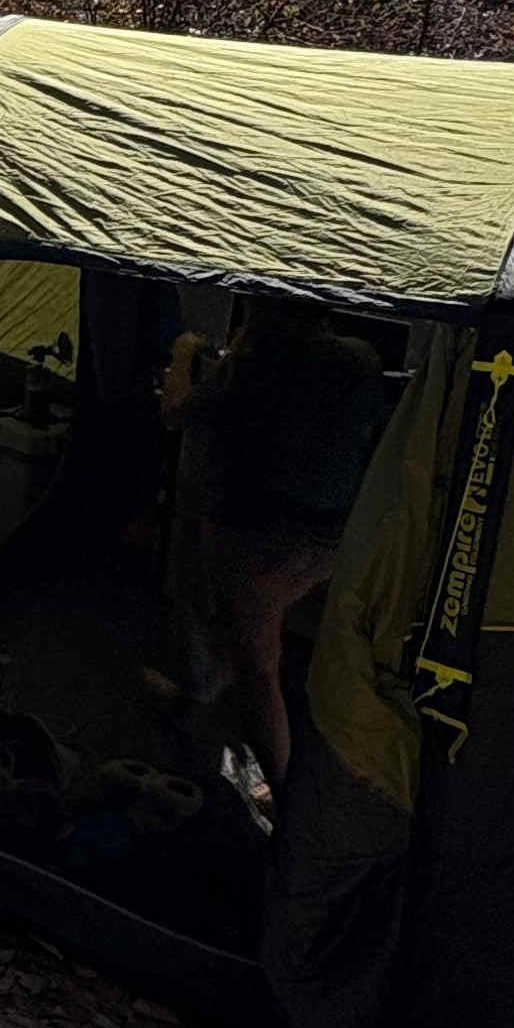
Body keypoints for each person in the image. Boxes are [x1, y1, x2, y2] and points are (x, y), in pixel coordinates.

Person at [163, 298, 390, 799]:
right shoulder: (360, 358)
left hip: (258, 540)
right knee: (279, 644)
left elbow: (177, 411)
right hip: (332, 537)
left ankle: (283, 795)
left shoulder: (253, 366)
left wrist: (185, 354)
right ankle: (202, 702)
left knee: (258, 666)